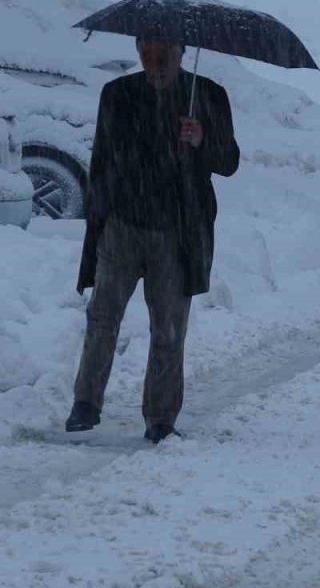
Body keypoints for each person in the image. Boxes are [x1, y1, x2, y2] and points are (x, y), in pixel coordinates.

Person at [66, 36, 240, 442]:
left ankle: (160, 418)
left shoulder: (207, 96)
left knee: (168, 328)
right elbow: (103, 159)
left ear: (181, 53)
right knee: (102, 318)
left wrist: (201, 140)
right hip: (123, 225)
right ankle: (85, 405)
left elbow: (229, 162)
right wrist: (99, 219)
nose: (155, 65)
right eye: (147, 57)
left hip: (176, 232)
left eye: (164, 57)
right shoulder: (118, 94)